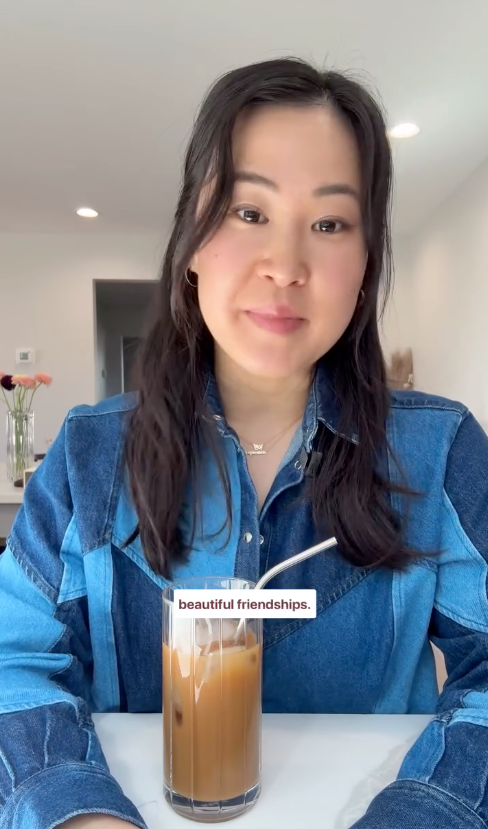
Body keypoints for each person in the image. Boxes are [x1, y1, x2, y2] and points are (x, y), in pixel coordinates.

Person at [1, 56, 487, 829]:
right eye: (248, 212)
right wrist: (76, 808)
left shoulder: (440, 451)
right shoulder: (91, 459)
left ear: (364, 265)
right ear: (192, 238)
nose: (285, 266)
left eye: (329, 223)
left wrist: (425, 811)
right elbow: (13, 660)